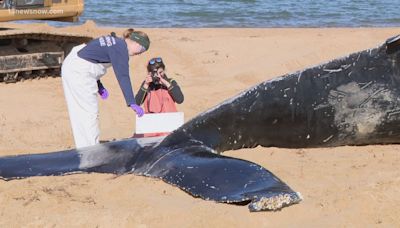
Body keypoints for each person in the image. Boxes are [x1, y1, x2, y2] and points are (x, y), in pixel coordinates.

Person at [61, 28, 149, 148]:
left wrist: (99, 85)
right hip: (78, 72)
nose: (141, 53)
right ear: (135, 42)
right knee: (89, 113)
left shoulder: (116, 42)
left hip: (76, 64)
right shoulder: (120, 48)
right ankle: (90, 151)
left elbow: (92, 56)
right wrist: (131, 102)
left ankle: (85, 147)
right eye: (142, 49)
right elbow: (123, 76)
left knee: (82, 112)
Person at [134, 57, 184, 137]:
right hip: (151, 128)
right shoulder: (147, 84)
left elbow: (180, 99)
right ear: (149, 73)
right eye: (155, 73)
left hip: (169, 127)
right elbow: (136, 103)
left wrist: (166, 83)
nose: (159, 76)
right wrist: (146, 85)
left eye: (161, 72)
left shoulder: (170, 82)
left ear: (164, 70)